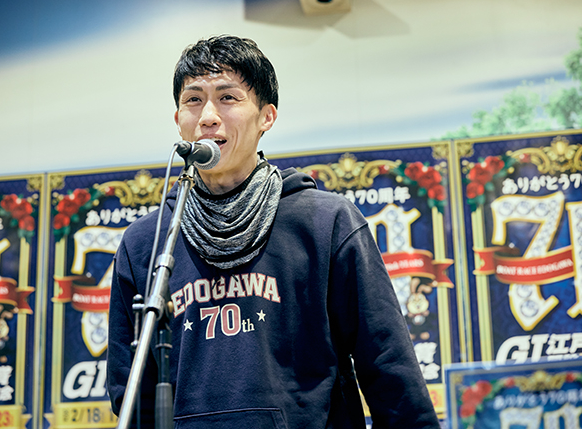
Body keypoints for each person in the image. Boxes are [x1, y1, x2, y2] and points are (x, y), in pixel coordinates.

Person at [107, 35, 440, 429]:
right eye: (193, 100)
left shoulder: (326, 222)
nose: (208, 116)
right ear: (178, 119)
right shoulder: (145, 242)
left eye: (227, 98)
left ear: (266, 116)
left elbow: (390, 370)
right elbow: (130, 393)